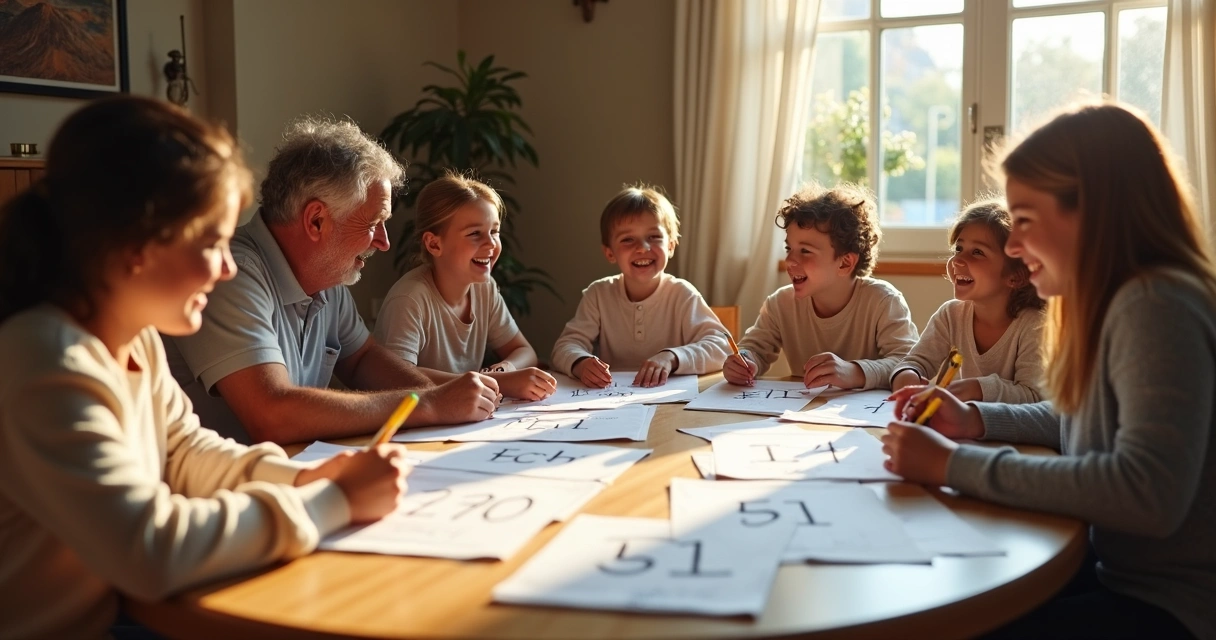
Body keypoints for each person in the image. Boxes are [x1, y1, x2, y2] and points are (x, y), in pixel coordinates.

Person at [0, 96, 409, 638]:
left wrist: (305, 477)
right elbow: (149, 549)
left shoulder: (136, 340)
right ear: (140, 245)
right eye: (213, 243)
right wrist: (332, 501)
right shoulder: (44, 359)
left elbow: (186, 453)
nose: (227, 268)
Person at [884, 102, 1215, 639]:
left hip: (1173, 605)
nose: (1014, 247)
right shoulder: (1113, 302)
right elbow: (1073, 418)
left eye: (1025, 221)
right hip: (1118, 572)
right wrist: (975, 419)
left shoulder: (1156, 304)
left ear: (1094, 214)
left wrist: (952, 464)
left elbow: (1147, 493)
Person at [168, 116, 500, 445]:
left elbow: (363, 359)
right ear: (316, 221)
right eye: (373, 223)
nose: (383, 242)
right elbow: (271, 416)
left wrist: (440, 397)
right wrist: (428, 405)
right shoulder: (230, 274)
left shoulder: (326, 276)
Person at [373, 172, 557, 400]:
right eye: (475, 234)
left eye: (494, 232)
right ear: (434, 244)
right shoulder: (410, 299)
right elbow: (397, 379)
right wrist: (499, 383)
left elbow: (524, 351)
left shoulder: (484, 288)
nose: (491, 243)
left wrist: (501, 371)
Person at [723, 182, 918, 389]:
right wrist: (744, 360)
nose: (790, 261)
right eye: (789, 248)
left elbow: (907, 363)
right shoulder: (780, 304)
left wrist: (855, 372)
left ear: (845, 263)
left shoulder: (883, 302)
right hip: (804, 408)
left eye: (805, 251)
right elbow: (754, 348)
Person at [550, 185, 732, 388]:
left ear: (671, 246)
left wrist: (672, 357)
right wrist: (581, 363)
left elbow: (722, 348)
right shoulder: (598, 295)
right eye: (628, 239)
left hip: (670, 399)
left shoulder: (683, 294)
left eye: (654, 237)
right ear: (610, 253)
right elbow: (564, 347)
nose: (643, 248)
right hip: (611, 399)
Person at [889, 198, 1045, 402]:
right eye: (958, 249)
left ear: (1015, 276)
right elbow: (915, 362)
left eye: (977, 252)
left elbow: (1033, 396)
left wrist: (976, 388)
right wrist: (907, 377)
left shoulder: (1035, 325)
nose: (957, 260)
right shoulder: (951, 315)